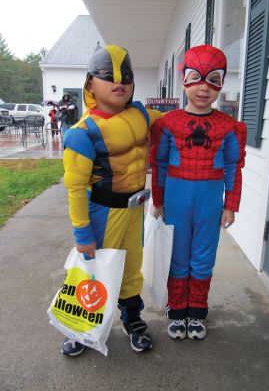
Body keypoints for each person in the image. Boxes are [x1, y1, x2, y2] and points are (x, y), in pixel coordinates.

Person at [61, 44, 162, 357]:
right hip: (102, 212)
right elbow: (75, 188)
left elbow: (176, 123)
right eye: (107, 75)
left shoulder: (142, 114)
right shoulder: (82, 133)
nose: (119, 81)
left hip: (135, 211)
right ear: (91, 83)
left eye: (126, 75)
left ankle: (133, 320)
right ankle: (79, 327)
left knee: (131, 270)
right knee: (93, 272)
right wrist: (82, 233)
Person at [150, 45, 247, 341]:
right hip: (176, 200)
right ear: (184, 81)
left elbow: (233, 167)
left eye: (213, 80)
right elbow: (160, 164)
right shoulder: (167, 124)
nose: (204, 88)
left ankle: (197, 311)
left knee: (203, 258)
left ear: (221, 84)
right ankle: (177, 311)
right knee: (178, 257)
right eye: (196, 78)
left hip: (209, 201)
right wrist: (158, 201)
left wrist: (230, 205)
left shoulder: (229, 127)